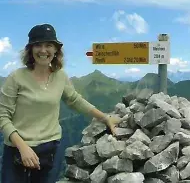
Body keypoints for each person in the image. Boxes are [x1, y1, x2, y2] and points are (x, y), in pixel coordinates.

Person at [0, 23, 121, 183]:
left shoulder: (60, 76)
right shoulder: (16, 77)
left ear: (56, 49)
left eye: (49, 45)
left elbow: (75, 100)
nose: (43, 50)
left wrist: (105, 118)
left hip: (50, 151)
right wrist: (22, 147)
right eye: (38, 45)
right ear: (30, 50)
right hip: (17, 151)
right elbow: (3, 116)